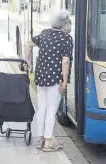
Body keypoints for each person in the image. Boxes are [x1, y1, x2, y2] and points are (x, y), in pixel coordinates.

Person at [24, 10, 73, 151]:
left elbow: (28, 44)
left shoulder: (45, 33)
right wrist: (64, 81)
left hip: (41, 78)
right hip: (55, 79)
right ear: (64, 25)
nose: (69, 25)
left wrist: (26, 60)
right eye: (68, 22)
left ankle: (40, 140)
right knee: (51, 111)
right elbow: (65, 62)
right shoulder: (66, 38)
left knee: (42, 109)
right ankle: (48, 142)